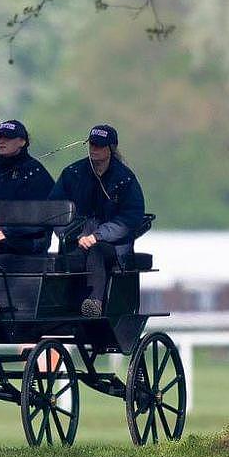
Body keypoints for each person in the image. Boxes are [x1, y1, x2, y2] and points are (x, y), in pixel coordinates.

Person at [49, 124, 145, 317]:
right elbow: (55, 209)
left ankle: (95, 301)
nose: (94, 149)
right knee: (63, 260)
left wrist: (97, 236)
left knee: (97, 251)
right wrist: (74, 234)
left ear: (111, 148)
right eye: (92, 144)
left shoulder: (125, 179)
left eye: (100, 145)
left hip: (113, 246)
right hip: (76, 241)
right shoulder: (72, 173)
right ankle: (57, 305)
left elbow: (130, 217)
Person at [0, 120, 55, 254]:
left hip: (28, 237)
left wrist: (3, 232)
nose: (2, 141)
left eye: (8, 138)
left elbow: (41, 218)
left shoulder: (35, 171)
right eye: (0, 137)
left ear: (22, 142)